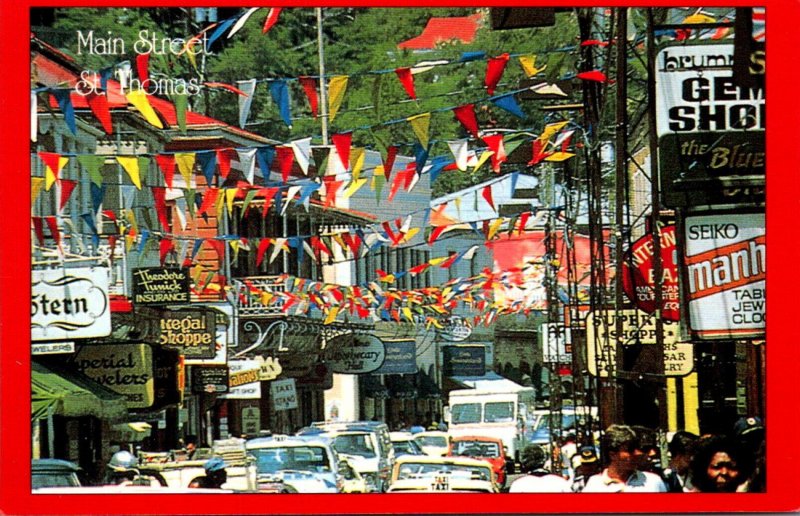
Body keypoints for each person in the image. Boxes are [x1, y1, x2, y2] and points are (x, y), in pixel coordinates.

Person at [582, 424, 667, 492]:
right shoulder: (594, 486)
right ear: (613, 454)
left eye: (635, 449)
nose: (636, 454)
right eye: (629, 450)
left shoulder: (653, 482)